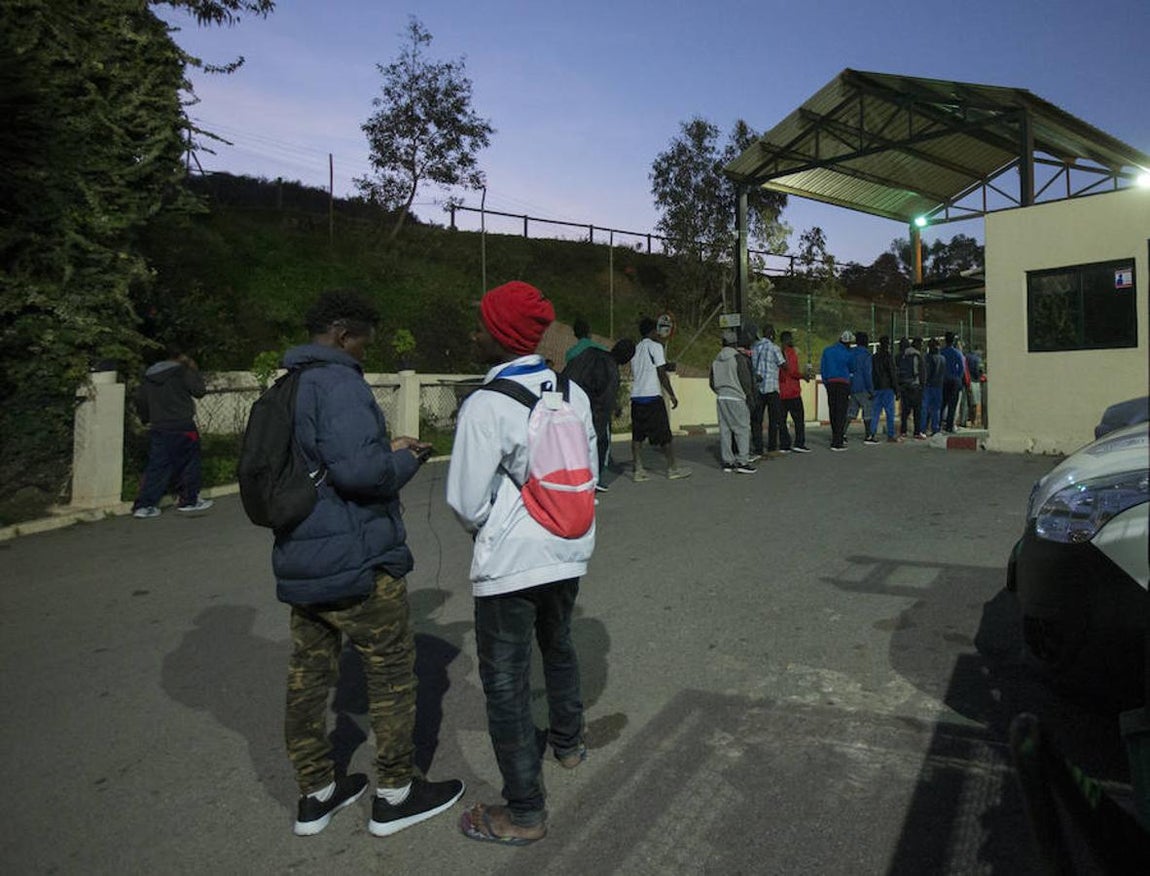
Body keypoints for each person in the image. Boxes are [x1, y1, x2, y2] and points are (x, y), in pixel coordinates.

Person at [275, 290, 463, 838]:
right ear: (340, 333)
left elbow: (323, 461)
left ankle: (316, 794)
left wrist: (384, 446)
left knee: (308, 678)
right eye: (361, 342)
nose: (364, 353)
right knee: (390, 676)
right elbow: (361, 476)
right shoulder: (340, 383)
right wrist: (404, 459)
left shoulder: (289, 385)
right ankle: (395, 794)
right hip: (356, 558)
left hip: (302, 557)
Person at [446, 280, 596, 846]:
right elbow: (588, 467)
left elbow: (466, 500)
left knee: (506, 682)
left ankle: (525, 812)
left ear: (500, 333)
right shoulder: (570, 393)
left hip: (512, 564)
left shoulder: (487, 404)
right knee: (558, 644)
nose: (475, 334)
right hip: (568, 548)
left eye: (482, 325)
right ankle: (569, 744)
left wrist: (493, 526)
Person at [131, 344, 213, 518]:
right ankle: (189, 500)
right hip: (183, 425)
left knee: (157, 465)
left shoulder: (148, 376)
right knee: (190, 462)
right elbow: (199, 391)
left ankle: (145, 505)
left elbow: (140, 400)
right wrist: (193, 370)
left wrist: (146, 418)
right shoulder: (182, 371)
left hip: (159, 426)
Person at [563, 336, 634, 492]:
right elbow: (604, 405)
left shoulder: (589, 352)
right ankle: (596, 478)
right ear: (626, 360)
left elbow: (568, 372)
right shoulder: (612, 371)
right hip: (586, 410)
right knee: (602, 442)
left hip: (563, 402)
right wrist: (597, 430)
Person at [629, 317, 691, 481]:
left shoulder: (636, 349)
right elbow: (661, 373)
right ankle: (672, 469)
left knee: (637, 436)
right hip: (652, 396)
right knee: (665, 435)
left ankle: (638, 469)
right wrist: (672, 394)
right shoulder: (656, 347)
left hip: (636, 396)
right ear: (652, 331)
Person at [710, 329, 757, 473]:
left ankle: (728, 462)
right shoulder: (738, 358)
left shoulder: (716, 360)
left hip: (721, 397)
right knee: (742, 429)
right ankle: (743, 461)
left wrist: (720, 391)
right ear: (735, 343)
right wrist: (749, 396)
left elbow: (712, 382)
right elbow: (745, 380)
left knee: (725, 430)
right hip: (736, 396)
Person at [751, 324, 787, 457]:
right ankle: (772, 446)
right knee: (774, 419)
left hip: (758, 388)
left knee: (756, 420)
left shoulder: (754, 347)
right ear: (772, 335)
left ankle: (758, 447)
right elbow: (784, 366)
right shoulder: (774, 348)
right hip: (772, 388)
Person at [820, 331, 854, 451]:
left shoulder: (827, 351)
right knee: (841, 412)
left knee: (833, 410)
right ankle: (837, 441)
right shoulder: (848, 353)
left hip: (830, 383)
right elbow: (852, 368)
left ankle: (835, 436)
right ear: (848, 343)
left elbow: (823, 368)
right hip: (843, 383)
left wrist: (825, 382)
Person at [778, 330, 811, 452]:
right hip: (792, 391)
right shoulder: (790, 353)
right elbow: (792, 371)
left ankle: (784, 444)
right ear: (787, 340)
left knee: (781, 420)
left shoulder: (778, 353)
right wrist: (803, 376)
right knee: (798, 419)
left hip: (781, 391)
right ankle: (799, 443)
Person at [846, 331, 875, 444]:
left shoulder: (850, 353)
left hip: (852, 386)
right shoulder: (867, 355)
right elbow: (868, 373)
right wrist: (871, 390)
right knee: (867, 411)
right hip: (863, 387)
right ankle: (868, 436)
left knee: (851, 411)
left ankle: (842, 433)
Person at [870, 335, 900, 443]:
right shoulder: (889, 357)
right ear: (887, 344)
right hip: (887, 388)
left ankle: (871, 434)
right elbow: (892, 374)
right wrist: (897, 389)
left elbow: (871, 373)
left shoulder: (874, 357)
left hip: (876, 387)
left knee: (875, 413)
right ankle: (890, 435)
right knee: (889, 413)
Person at [896, 337, 925, 440]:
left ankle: (903, 431)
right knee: (917, 411)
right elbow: (921, 373)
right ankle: (917, 432)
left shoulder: (902, 356)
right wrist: (922, 385)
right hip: (916, 386)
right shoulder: (917, 356)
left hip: (904, 386)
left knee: (905, 411)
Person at [940, 331, 966, 433]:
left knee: (942, 403)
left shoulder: (942, 352)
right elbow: (961, 368)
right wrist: (958, 378)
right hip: (954, 381)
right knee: (952, 405)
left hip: (943, 380)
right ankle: (949, 426)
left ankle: (938, 424)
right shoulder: (957, 353)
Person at [924, 338, 946, 435]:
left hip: (929, 386)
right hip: (939, 386)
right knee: (936, 409)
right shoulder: (942, 358)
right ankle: (935, 428)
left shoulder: (928, 358)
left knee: (925, 408)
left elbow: (927, 372)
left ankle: (923, 428)